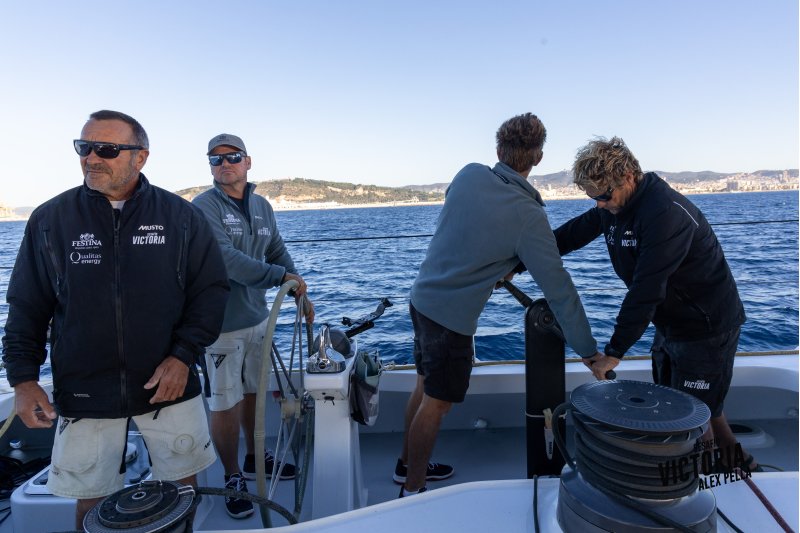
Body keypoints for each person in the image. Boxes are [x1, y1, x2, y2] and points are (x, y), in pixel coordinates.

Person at [1, 110, 230, 529]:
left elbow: (210, 292)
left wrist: (182, 356)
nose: (91, 158)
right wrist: (23, 379)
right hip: (85, 386)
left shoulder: (181, 217)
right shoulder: (50, 221)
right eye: (83, 147)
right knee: (90, 506)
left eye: (105, 149)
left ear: (140, 157)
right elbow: (26, 305)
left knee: (181, 494)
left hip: (169, 384)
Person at [396, 113, 602, 497]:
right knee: (437, 404)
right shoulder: (529, 215)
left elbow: (468, 226)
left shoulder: (468, 174)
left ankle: (405, 465)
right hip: (450, 319)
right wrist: (588, 351)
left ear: (497, 150)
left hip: (421, 299)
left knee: (423, 387)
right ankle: (412, 490)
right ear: (538, 158)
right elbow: (559, 290)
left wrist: (499, 262)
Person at [553, 136, 758, 472]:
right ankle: (742, 464)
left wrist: (614, 352)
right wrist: (517, 263)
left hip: (705, 327)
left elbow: (646, 290)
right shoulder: (615, 207)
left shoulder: (663, 213)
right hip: (671, 324)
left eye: (603, 196)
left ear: (629, 176)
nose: (599, 204)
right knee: (697, 401)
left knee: (689, 415)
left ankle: (701, 486)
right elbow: (568, 236)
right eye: (593, 198)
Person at [192, 133, 315, 519]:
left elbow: (276, 248)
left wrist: (298, 290)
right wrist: (281, 278)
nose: (224, 164)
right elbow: (225, 259)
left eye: (232, 157)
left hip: (259, 318)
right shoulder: (203, 207)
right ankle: (232, 476)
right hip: (220, 326)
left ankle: (254, 455)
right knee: (225, 402)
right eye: (216, 159)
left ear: (248, 162)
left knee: (254, 393)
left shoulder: (262, 206)